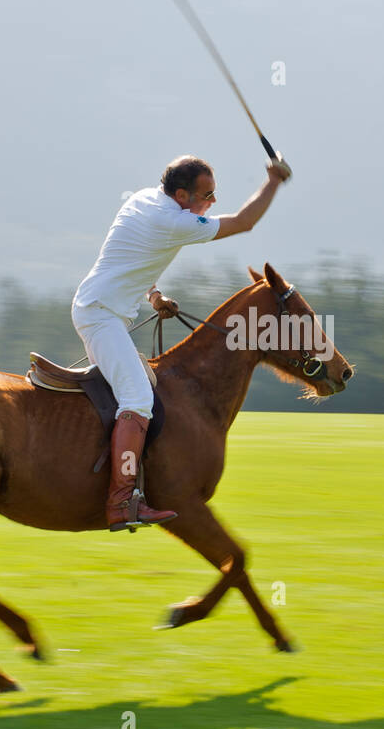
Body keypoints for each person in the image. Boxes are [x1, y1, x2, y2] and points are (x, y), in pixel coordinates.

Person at [72, 154, 292, 530]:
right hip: (101, 314)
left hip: (100, 308)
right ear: (180, 195)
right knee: (139, 398)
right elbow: (244, 222)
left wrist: (154, 295)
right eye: (207, 195)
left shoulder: (144, 199)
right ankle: (121, 501)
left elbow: (134, 256)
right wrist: (273, 180)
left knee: (138, 393)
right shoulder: (173, 221)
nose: (212, 202)